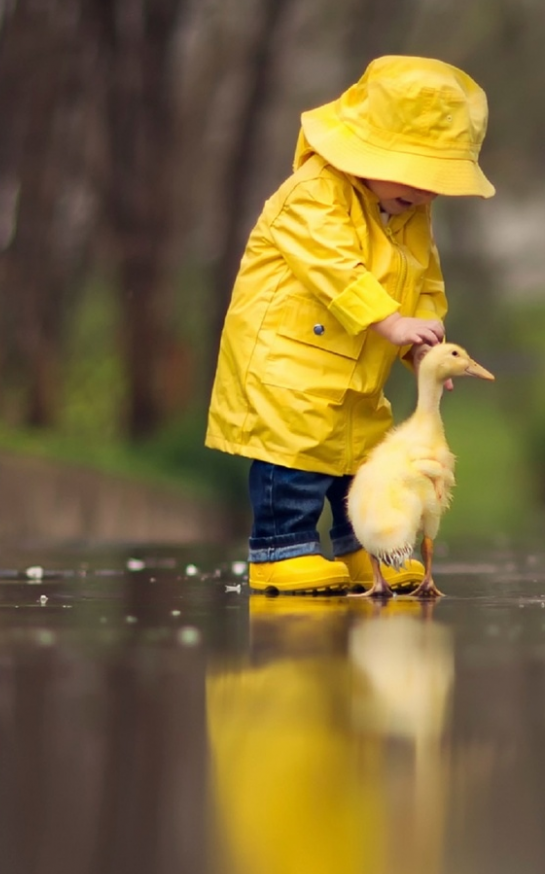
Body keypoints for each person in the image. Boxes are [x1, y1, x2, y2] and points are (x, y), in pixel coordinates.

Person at [206, 56, 494, 594]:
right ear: (365, 149)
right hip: (288, 364)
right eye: (416, 175)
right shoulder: (312, 193)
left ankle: (370, 549)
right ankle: (279, 550)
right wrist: (389, 319)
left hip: (359, 367)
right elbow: (335, 266)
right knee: (293, 456)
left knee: (365, 463)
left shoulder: (407, 213)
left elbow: (426, 281)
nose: (425, 193)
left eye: (437, 183)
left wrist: (421, 343)